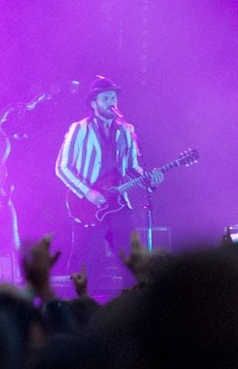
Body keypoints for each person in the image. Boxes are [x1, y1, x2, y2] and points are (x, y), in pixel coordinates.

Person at [55, 76, 163, 285]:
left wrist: (149, 180)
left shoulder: (125, 130)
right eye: (105, 98)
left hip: (118, 204)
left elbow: (132, 167)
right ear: (93, 103)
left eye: (113, 98)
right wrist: (88, 193)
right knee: (85, 269)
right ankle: (79, 303)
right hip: (87, 207)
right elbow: (61, 167)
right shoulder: (80, 129)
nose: (111, 102)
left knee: (133, 265)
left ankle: (134, 301)